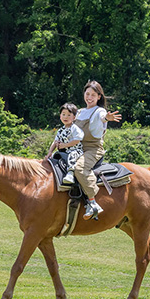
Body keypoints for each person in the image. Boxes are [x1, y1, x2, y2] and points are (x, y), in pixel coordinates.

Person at [69, 80, 122, 220]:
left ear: (99, 97)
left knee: (79, 169)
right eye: (87, 94)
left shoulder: (100, 111)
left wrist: (107, 118)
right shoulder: (79, 112)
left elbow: (102, 117)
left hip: (93, 149)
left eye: (93, 94)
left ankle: (92, 203)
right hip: (76, 148)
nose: (89, 97)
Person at [45, 102, 84, 189]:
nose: (65, 117)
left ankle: (70, 173)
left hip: (74, 150)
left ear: (74, 117)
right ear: (60, 116)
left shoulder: (74, 128)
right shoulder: (60, 130)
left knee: (72, 157)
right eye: (63, 114)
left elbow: (77, 140)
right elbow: (55, 142)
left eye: (69, 115)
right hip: (63, 151)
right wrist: (50, 152)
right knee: (54, 157)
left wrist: (65, 145)